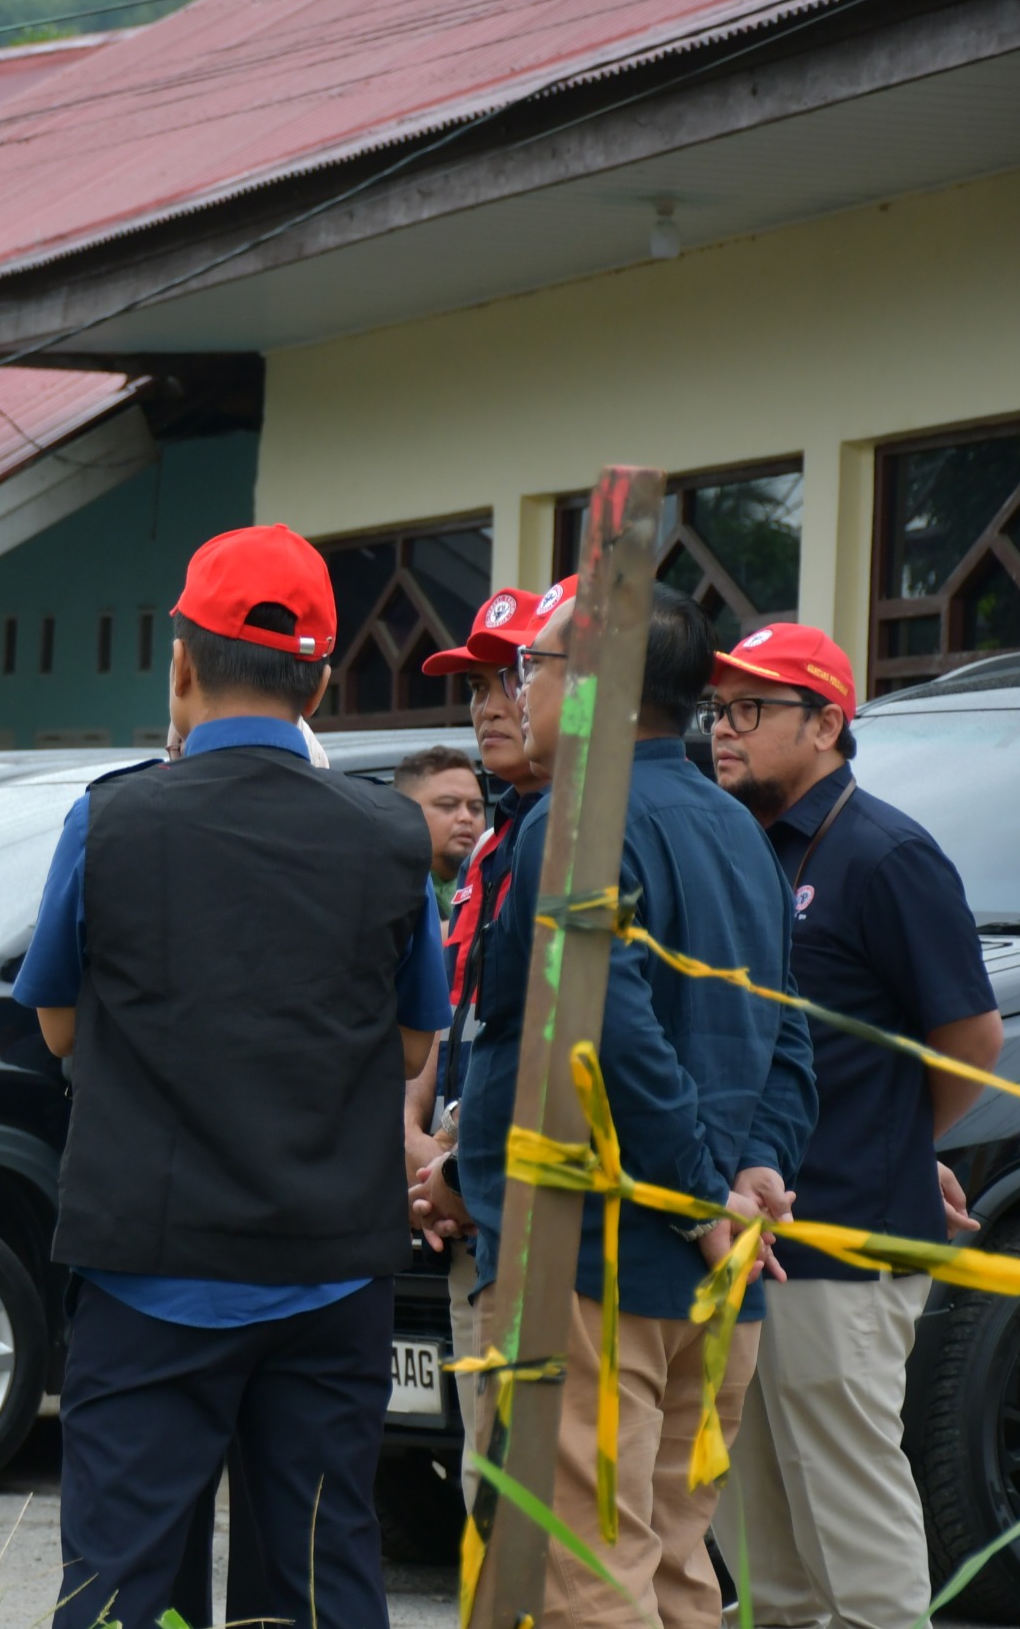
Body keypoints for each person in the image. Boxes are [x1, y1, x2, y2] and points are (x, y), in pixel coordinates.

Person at [19, 525, 449, 1629]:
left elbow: (58, 1027)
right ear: (320, 682)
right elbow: (413, 1047)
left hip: (149, 1264)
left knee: (121, 1577)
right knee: (319, 1570)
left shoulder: (110, 819)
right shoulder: (390, 833)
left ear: (181, 665)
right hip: (330, 1264)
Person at [457, 582, 817, 1629]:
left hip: (593, 1257)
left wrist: (705, 1196)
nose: (520, 689)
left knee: (585, 1578)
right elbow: (788, 1035)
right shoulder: (738, 827)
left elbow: (606, 1036)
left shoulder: (575, 822)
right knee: (673, 1569)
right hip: (714, 1267)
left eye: (536, 666)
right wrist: (754, 1171)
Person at [704, 624, 1001, 1629]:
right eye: (718, 708)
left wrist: (902, 1142)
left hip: (843, 1237)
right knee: (759, 1541)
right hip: (742, 1235)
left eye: (752, 707)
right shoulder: (741, 846)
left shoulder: (884, 852)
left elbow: (971, 1034)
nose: (724, 728)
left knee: (851, 1523)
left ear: (827, 723)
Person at [403, 586, 555, 1506]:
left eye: (510, 679)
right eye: (476, 689)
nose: (490, 707)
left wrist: (464, 1166)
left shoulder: (568, 837)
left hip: (532, 1213)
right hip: (466, 1196)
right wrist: (420, 1145)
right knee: (485, 1480)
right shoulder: (494, 846)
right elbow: (451, 1021)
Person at [394, 745, 487, 920]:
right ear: (404, 812)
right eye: (448, 805)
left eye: (475, 808)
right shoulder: (379, 893)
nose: (466, 817)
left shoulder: (499, 887)